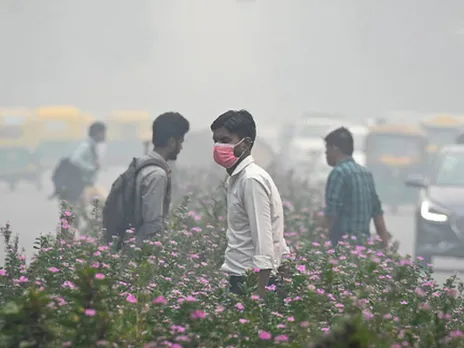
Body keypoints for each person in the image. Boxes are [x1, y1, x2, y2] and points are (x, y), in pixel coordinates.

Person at [210, 109, 289, 297]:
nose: (219, 147)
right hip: (242, 278)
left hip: (250, 282)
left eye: (225, 140)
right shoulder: (238, 179)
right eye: (216, 141)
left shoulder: (251, 180)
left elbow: (263, 243)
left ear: (245, 144)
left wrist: (258, 299)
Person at [322, 127, 389, 247]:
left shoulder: (338, 173)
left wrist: (318, 240)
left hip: (342, 248)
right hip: (362, 249)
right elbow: (378, 215)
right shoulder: (365, 173)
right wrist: (385, 247)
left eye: (327, 150)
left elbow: (331, 215)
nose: (326, 154)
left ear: (335, 148)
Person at [134, 112, 189, 245]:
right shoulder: (157, 175)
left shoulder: (141, 164)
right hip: (142, 252)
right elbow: (153, 224)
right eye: (180, 142)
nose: (181, 148)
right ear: (171, 142)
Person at [70, 121, 106, 188]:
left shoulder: (93, 146)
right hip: (82, 185)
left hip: (88, 184)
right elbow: (75, 159)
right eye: (103, 133)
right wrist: (90, 167)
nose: (105, 135)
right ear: (97, 133)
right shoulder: (86, 145)